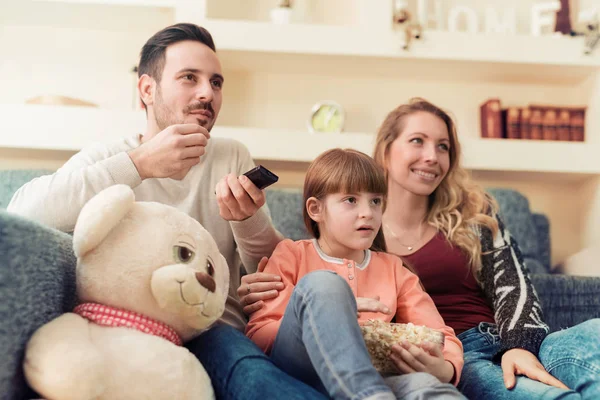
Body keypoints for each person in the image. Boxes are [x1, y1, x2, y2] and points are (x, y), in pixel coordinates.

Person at [7, 23, 326, 400]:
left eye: (216, 82)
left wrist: (248, 220)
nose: (208, 93)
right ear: (147, 89)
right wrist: (139, 164)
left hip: (213, 328)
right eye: (189, 78)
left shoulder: (231, 155)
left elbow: (270, 266)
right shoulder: (112, 156)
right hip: (124, 332)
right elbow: (22, 212)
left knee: (253, 376)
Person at [372, 97, 600, 399]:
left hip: (513, 341)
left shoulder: (474, 212)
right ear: (386, 151)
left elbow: (514, 284)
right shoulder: (359, 227)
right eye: (417, 141)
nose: (432, 156)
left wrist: (518, 345)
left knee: (593, 333)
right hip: (457, 358)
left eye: (443, 146)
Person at [246, 148, 466, 400]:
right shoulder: (291, 254)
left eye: (375, 201)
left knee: (428, 387)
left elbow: (440, 334)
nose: (368, 213)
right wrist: (327, 317)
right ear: (316, 209)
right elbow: (259, 335)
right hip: (301, 372)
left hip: (380, 377)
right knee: (323, 285)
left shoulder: (394, 269)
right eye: (351, 200)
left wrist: (446, 368)